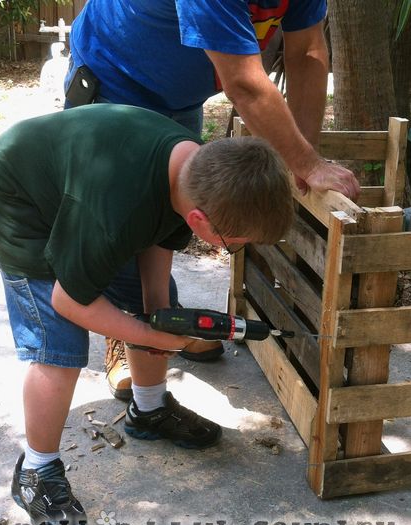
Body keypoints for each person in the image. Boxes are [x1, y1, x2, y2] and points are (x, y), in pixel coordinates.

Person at [0, 103, 295, 525]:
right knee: (60, 347)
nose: (230, 248)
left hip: (87, 193)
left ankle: (148, 410)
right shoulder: (114, 210)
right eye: (232, 243)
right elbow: (69, 302)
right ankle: (37, 469)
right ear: (201, 219)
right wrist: (148, 334)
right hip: (20, 198)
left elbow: (159, 236)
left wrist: (156, 315)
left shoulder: (193, 173)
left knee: (156, 307)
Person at [66, 0, 361, 401]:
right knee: (118, 216)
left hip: (177, 97)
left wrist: (303, 155)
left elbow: (308, 52)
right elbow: (242, 83)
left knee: (169, 209)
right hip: (115, 74)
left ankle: (159, 316)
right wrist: (306, 162)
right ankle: (123, 332)